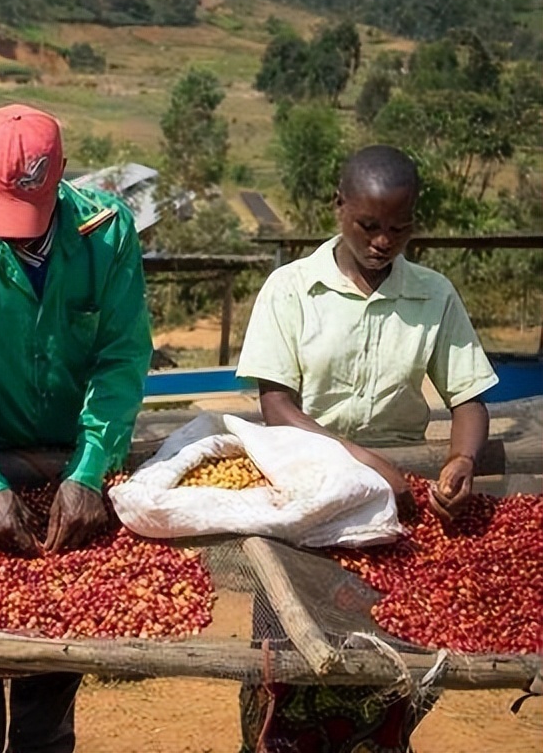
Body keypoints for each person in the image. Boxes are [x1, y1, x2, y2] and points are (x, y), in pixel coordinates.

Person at [235, 144, 499, 752]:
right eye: (369, 226)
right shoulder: (292, 289)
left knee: (387, 668)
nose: (384, 241)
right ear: (339, 208)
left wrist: (460, 461)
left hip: (396, 515)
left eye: (400, 228)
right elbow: (277, 407)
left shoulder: (432, 294)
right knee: (288, 673)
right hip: (306, 500)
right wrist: (369, 464)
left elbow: (469, 399)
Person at [0, 105, 153, 753]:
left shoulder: (107, 233)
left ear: (57, 186)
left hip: (72, 471)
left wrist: (88, 471)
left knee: (51, 676)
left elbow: (120, 359)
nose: (15, 239)